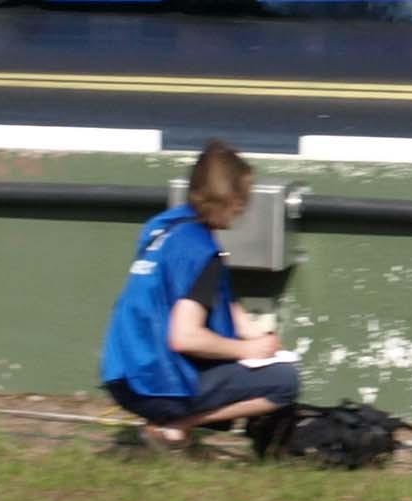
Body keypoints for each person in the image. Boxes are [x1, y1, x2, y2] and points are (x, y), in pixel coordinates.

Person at [100, 140, 300, 449]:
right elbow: (185, 337)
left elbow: (213, 295)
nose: (244, 208)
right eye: (243, 200)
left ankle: (169, 424)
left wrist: (254, 334)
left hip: (122, 374)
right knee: (285, 382)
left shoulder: (162, 229)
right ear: (231, 199)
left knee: (251, 361)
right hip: (155, 386)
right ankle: (175, 427)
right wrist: (246, 350)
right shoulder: (202, 251)